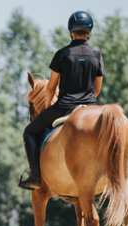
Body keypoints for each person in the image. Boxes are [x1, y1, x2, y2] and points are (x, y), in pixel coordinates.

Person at [19, 11, 105, 190]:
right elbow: (97, 89)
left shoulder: (62, 54)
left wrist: (49, 106)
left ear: (70, 31)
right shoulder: (97, 56)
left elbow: (51, 87)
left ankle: (35, 176)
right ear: (89, 31)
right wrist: (88, 102)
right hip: (90, 107)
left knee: (29, 132)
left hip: (64, 107)